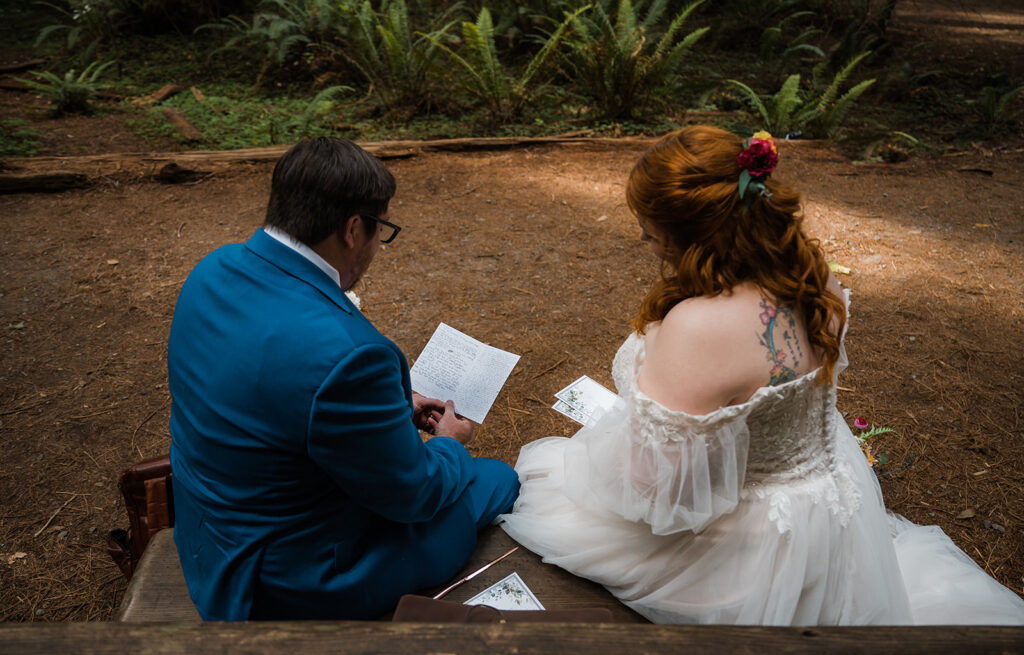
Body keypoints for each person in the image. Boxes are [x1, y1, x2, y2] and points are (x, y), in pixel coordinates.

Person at [499, 126, 1024, 625]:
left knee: (549, 492)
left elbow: (660, 496)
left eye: (647, 223)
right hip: (830, 501)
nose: (640, 235)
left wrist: (619, 440)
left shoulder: (696, 328)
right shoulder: (812, 276)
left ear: (689, 232)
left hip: (751, 539)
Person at [167, 137, 519, 621]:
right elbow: (412, 494)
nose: (377, 247)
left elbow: (272, 393)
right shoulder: (351, 354)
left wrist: (391, 408)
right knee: (497, 478)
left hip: (209, 536)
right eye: (382, 231)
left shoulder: (212, 270)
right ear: (353, 229)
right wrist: (452, 444)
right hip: (285, 579)